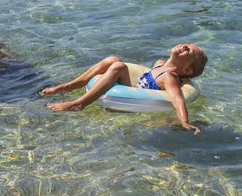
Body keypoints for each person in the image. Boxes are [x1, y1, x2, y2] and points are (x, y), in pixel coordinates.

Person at [42, 44, 207, 134]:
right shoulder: (161, 64)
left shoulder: (169, 77)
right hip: (136, 86)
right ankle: (69, 86)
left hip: (130, 102)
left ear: (186, 70)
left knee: (118, 66)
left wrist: (184, 122)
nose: (185, 47)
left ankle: (79, 104)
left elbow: (177, 99)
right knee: (112, 60)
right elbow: (144, 74)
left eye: (190, 51)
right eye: (186, 45)